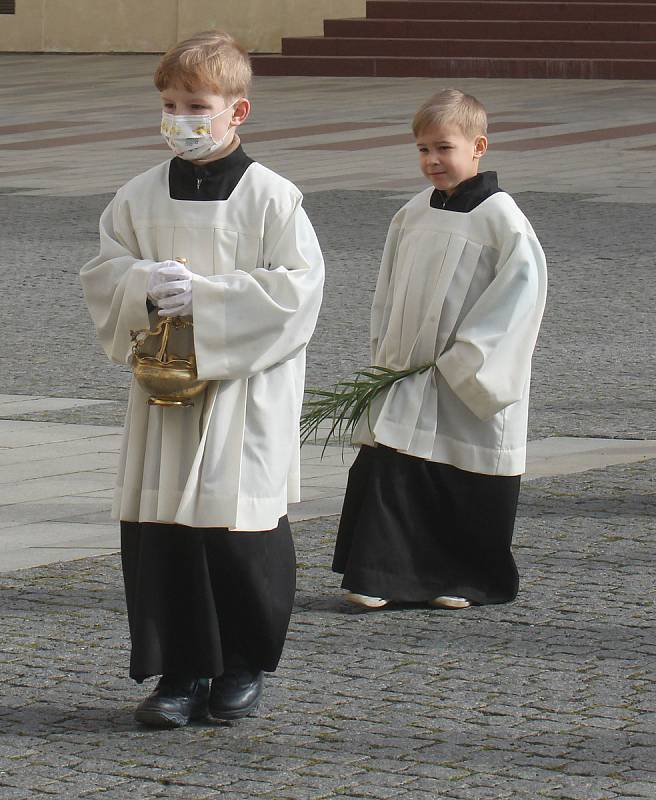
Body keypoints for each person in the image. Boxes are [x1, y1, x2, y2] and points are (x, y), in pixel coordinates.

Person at [80, 30, 324, 728]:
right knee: (165, 533)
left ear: (236, 111)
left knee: (236, 528)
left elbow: (298, 294)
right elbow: (104, 273)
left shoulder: (274, 199)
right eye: (169, 103)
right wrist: (142, 284)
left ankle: (242, 664)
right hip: (165, 395)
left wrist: (210, 301)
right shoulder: (137, 195)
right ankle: (178, 672)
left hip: (243, 394)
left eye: (196, 104)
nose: (179, 118)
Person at [332, 89, 547, 611]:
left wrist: (464, 360)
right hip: (407, 370)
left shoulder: (502, 220)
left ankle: (464, 577)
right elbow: (388, 286)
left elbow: (519, 300)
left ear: (478, 147)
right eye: (423, 149)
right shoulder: (411, 213)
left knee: (457, 474)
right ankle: (381, 574)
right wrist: (385, 351)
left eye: (444, 148)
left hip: (462, 374)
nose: (432, 161)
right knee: (396, 466)